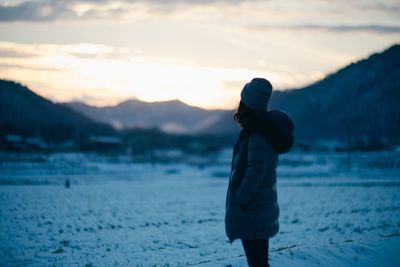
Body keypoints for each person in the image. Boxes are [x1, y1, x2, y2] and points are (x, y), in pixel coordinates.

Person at [225, 78, 295, 267]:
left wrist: (240, 198)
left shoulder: (257, 135)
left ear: (246, 103)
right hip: (258, 210)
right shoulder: (262, 131)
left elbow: (254, 174)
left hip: (252, 212)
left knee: (257, 264)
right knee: (259, 263)